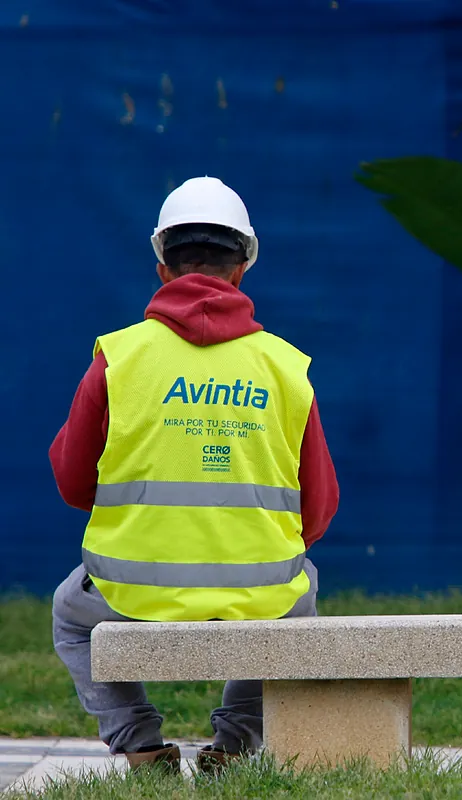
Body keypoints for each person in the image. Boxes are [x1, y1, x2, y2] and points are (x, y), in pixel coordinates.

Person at [48, 176, 339, 774]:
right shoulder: (286, 367)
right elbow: (320, 510)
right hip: (260, 593)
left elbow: (74, 484)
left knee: (69, 617)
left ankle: (141, 747)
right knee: (299, 601)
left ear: (162, 269)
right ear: (242, 270)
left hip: (130, 594)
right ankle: (233, 746)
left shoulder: (118, 358)